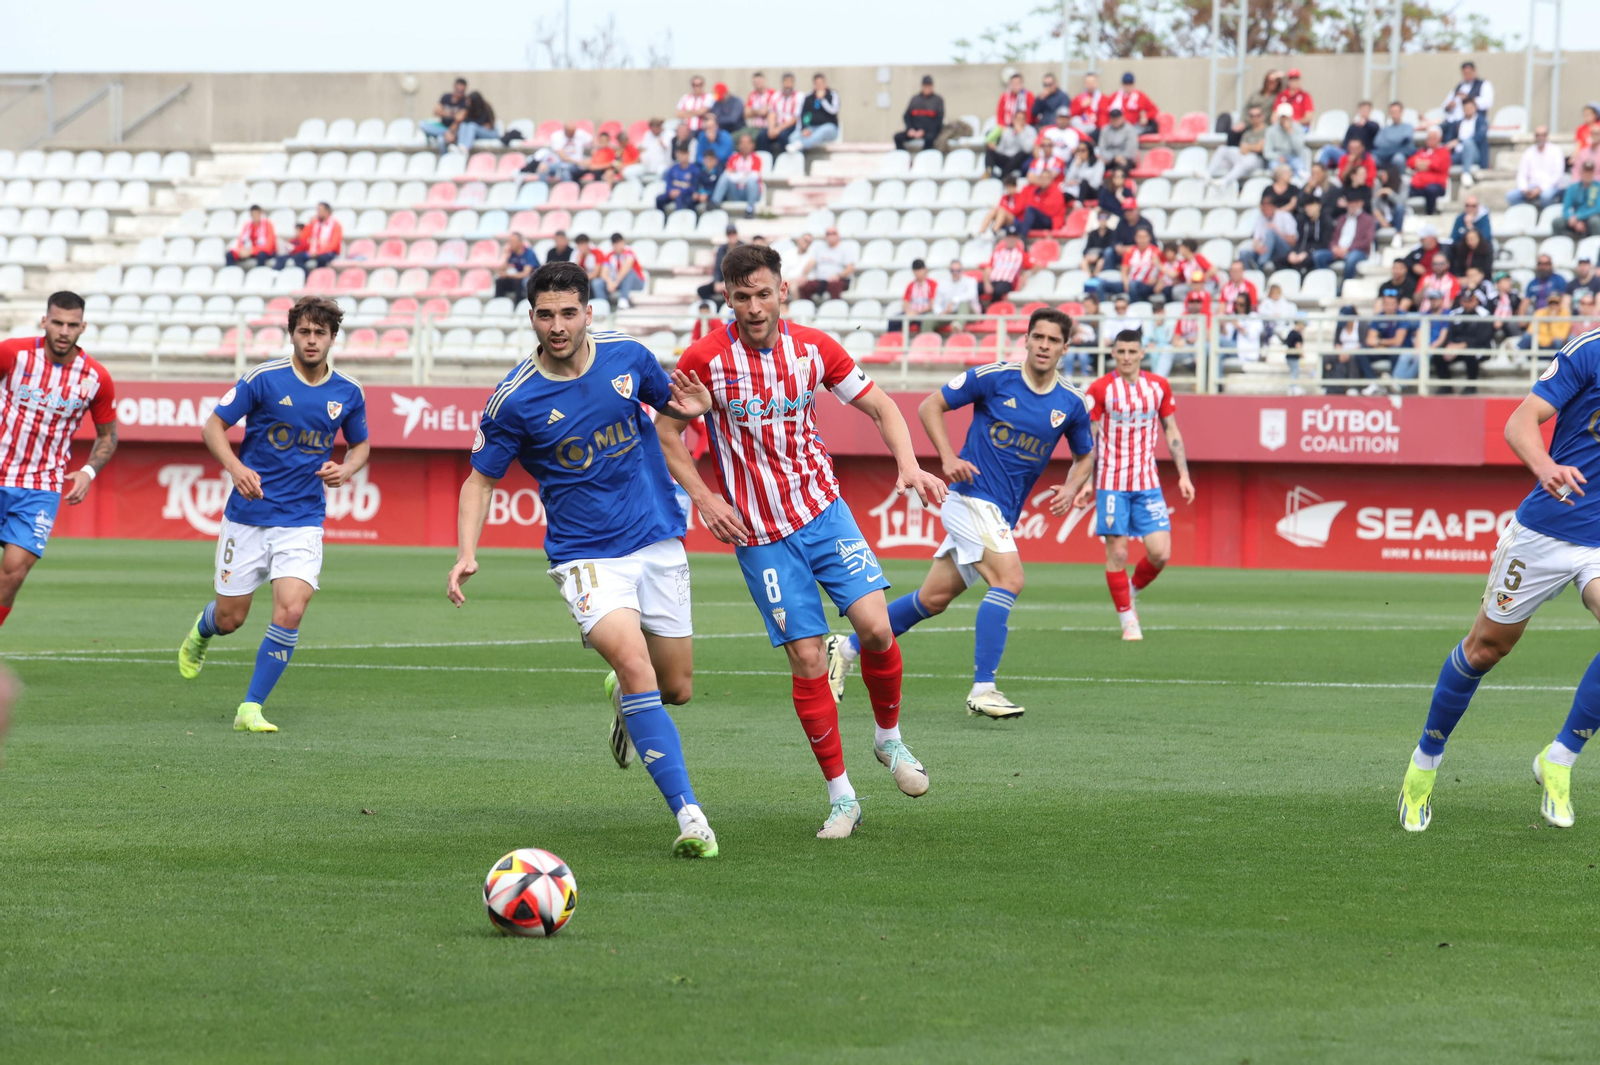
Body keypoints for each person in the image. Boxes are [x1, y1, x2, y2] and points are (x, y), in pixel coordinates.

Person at [656, 242, 948, 839]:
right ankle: (843, 798)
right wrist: (707, 499)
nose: (755, 307)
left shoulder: (814, 348)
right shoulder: (707, 358)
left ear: (783, 291)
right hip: (761, 536)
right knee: (809, 656)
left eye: (764, 294)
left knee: (875, 627)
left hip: (824, 512)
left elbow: (882, 406)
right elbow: (666, 433)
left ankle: (888, 740)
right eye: (742, 297)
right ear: (727, 298)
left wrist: (910, 465)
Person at [447, 262, 719, 857]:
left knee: (676, 688)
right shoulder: (514, 399)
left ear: (589, 312)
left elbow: (670, 411)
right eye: (545, 314)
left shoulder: (628, 357)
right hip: (584, 557)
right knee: (638, 666)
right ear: (531, 319)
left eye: (568, 312)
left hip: (656, 538)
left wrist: (690, 409)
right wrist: (468, 552)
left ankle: (626, 703)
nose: (557, 325)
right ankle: (691, 817)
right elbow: (479, 481)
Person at [833, 309, 1096, 719]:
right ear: (1026, 340)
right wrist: (948, 456)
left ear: (1066, 347)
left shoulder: (1072, 403)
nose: (1044, 345)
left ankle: (844, 648)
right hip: (970, 498)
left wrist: (1073, 487)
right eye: (1038, 337)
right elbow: (929, 406)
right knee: (1010, 578)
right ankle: (984, 687)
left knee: (932, 599)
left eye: (1053, 340)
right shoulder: (995, 377)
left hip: (1001, 512)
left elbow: (1086, 455)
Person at [1393, 324, 1600, 832]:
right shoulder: (1590, 350)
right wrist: (1545, 465)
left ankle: (1560, 757)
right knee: (1487, 648)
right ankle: (1423, 765)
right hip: (1548, 529)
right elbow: (1519, 421)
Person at [176, 296, 366, 733]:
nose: (312, 339)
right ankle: (203, 631)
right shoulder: (263, 379)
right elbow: (212, 427)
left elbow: (361, 444)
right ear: (292, 334)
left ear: (333, 338)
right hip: (247, 517)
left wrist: (347, 467)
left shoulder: (348, 392)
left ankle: (251, 707)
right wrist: (236, 467)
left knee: (292, 611)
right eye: (305, 331)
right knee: (231, 619)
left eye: (321, 332)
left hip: (302, 519)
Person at [0, 292, 116, 627]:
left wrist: (89, 471)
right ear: (44, 322)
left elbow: (108, 435)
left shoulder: (95, 378)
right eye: (57, 323)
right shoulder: (12, 353)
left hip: (40, 486)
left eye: (72, 325)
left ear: (83, 327)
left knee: (13, 573)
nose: (64, 331)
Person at [1077, 331, 1194, 641]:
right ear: (1113, 353)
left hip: (1147, 483)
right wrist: (1087, 482)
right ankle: (1128, 619)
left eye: (1132, 351)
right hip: (1111, 483)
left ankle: (1129, 590)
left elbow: (1171, 429)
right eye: (1121, 351)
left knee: (1161, 553)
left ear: (1143, 353)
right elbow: (1089, 440)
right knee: (1117, 554)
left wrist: (1184, 474)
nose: (1126, 356)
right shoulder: (1100, 389)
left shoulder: (1158, 386)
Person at [1432, 289, 1492, 393]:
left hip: (1478, 347)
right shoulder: (1455, 314)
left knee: (1471, 354)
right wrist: (1450, 345)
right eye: (1465, 301)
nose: (1467, 303)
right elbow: (1449, 334)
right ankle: (1446, 385)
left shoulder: (1484, 314)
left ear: (1476, 301)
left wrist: (1464, 345)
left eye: (1470, 301)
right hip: (1456, 347)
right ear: (1461, 301)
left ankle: (1471, 385)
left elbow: (1483, 338)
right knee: (1438, 355)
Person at [1508, 126, 1567, 209]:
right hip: (1531, 186)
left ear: (1547, 136)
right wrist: (1524, 189)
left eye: (1543, 135)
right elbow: (1521, 175)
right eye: (1537, 135)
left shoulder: (1556, 151)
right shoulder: (1528, 152)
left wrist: (1540, 189)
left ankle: (1546, 218)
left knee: (1546, 196)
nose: (1540, 138)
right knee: (1511, 196)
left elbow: (1557, 177)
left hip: (1550, 186)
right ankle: (1525, 216)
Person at [1208, 105, 1268, 185]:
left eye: (1258, 115)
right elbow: (1242, 148)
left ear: (1263, 116)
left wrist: (1249, 147)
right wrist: (1252, 147)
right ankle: (1206, 175)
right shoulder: (1248, 132)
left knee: (1249, 159)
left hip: (1259, 161)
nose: (1255, 118)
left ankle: (1224, 182)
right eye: (1252, 116)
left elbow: (1259, 148)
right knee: (1223, 149)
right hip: (1246, 157)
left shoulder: (1268, 130)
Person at [1239, 196, 1297, 273]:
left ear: (1273, 207)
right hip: (1266, 251)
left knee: (1270, 232)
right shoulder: (1261, 219)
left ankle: (1262, 264)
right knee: (1244, 253)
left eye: (1267, 208)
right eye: (1263, 209)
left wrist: (1277, 231)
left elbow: (1293, 241)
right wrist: (1258, 248)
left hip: (1283, 251)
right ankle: (1252, 276)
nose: (1264, 211)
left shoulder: (1285, 216)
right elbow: (1255, 241)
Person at [275, 202, 341, 271]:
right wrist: (310, 224)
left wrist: (318, 252)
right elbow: (303, 237)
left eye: (320, 210)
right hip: (313, 251)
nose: (317, 212)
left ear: (327, 212)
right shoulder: (316, 224)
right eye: (317, 210)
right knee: (297, 257)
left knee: (322, 258)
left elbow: (334, 245)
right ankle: (306, 276)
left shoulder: (335, 225)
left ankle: (319, 278)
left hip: (328, 253)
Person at [1325, 196, 1375, 286]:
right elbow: (1334, 237)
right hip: (1338, 249)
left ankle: (1344, 286)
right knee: (1319, 256)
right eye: (1351, 202)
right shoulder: (1341, 219)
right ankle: (1326, 284)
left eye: (1356, 202)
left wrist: (1348, 249)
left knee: (1351, 259)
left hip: (1358, 251)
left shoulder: (1368, 219)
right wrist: (1334, 247)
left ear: (1361, 203)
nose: (1353, 205)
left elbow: (1367, 241)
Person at [797, 227, 856, 301]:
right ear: (825, 236)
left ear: (838, 236)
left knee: (834, 285)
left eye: (833, 233)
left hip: (838, 280)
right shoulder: (820, 248)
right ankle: (809, 308)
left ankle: (834, 309)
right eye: (828, 234)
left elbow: (850, 268)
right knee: (804, 286)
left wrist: (838, 275)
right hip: (821, 280)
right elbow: (811, 262)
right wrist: (803, 275)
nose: (831, 236)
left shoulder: (845, 249)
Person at [711, 133, 763, 217]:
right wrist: (745, 175)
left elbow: (754, 176)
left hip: (749, 192)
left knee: (752, 182)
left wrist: (736, 174)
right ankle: (715, 203)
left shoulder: (756, 158)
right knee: (724, 178)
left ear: (752, 145)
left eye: (747, 143)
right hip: (735, 191)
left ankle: (750, 209)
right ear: (739, 145)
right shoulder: (733, 158)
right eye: (742, 143)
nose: (744, 145)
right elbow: (727, 174)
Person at [1318, 100, 1379, 169]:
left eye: (1367, 110)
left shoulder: (1374, 126)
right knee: (1328, 149)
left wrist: (1365, 123)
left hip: (1363, 157)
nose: (1364, 112)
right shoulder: (1352, 127)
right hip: (1347, 155)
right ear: (1358, 111)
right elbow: (1345, 142)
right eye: (1362, 109)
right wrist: (1349, 154)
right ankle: (1319, 171)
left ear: (1370, 111)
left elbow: (1375, 131)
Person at [1438, 60, 1494, 132]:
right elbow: (1445, 105)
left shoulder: (1484, 84)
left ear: (1474, 71)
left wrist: (1468, 98)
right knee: (1436, 131)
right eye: (1465, 73)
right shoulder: (1459, 86)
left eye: (1469, 73)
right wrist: (1450, 105)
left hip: (1471, 122)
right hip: (1453, 121)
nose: (1467, 75)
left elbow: (1487, 103)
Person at [1406, 128, 1450, 216]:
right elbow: (1410, 162)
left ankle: (1430, 214)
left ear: (1439, 139)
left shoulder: (1443, 151)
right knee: (1404, 189)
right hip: (1418, 185)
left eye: (1433, 138)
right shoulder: (1421, 151)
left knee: (1431, 190)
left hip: (1435, 186)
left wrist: (1422, 163)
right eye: (1429, 138)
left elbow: (1437, 165)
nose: (1430, 140)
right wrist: (1428, 163)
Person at [757, 73, 804, 155]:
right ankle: (766, 161)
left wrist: (778, 129)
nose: (788, 85)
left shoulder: (799, 96)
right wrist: (771, 129)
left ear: (793, 84)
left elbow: (794, 119)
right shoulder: (776, 96)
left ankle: (785, 162)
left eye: (790, 82)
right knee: (762, 136)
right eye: (786, 82)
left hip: (790, 126)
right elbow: (772, 113)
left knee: (783, 137)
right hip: (776, 125)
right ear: (782, 83)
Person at [895, 76, 945, 152]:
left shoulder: (937, 100)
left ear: (932, 86)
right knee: (897, 137)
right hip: (915, 130)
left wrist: (924, 130)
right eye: (925, 86)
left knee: (929, 139)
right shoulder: (915, 99)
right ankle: (906, 159)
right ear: (922, 86)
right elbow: (907, 116)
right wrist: (910, 128)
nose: (927, 88)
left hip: (930, 131)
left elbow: (938, 120)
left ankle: (924, 160)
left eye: (929, 86)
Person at [1447, 97, 1488, 187]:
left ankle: (1466, 173)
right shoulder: (1458, 123)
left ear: (1475, 108)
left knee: (1468, 143)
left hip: (1474, 154)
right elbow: (1450, 138)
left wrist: (1459, 141)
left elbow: (1478, 138)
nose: (1468, 110)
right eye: (1465, 108)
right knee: (1443, 157)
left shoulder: (1481, 121)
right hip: (1459, 154)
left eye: (1470, 108)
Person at [420, 78, 468, 153]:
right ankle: (440, 134)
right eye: (458, 90)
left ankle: (445, 160)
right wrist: (450, 115)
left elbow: (459, 119)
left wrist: (444, 113)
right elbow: (436, 111)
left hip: (454, 130)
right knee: (422, 124)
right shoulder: (446, 97)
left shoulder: (465, 101)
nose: (459, 93)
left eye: (462, 91)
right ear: (454, 88)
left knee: (441, 141)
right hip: (442, 128)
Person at [1286, 196, 1332, 275]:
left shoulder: (1326, 221)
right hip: (1302, 251)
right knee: (1281, 260)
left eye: (1311, 205)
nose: (1308, 208)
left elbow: (1325, 244)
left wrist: (1308, 252)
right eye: (1306, 206)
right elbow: (1299, 241)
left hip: (1317, 251)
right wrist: (1293, 252)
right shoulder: (1302, 220)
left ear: (1319, 206)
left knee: (1307, 261)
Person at [986, 109, 1038, 179]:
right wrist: (995, 148)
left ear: (1025, 121)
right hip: (1007, 158)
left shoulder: (1030, 131)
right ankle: (989, 173)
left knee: (1021, 154)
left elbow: (1028, 149)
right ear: (1013, 120)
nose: (1019, 121)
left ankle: (1003, 176)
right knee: (990, 151)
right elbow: (1002, 149)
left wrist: (1020, 133)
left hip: (1020, 160)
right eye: (1017, 118)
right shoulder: (1008, 131)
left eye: (1021, 119)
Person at [598, 233, 645, 309]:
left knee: (629, 273)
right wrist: (609, 282)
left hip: (635, 282)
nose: (618, 246)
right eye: (615, 243)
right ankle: (602, 305)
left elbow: (626, 267)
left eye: (619, 243)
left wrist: (615, 283)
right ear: (612, 245)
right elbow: (603, 273)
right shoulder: (609, 256)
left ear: (623, 243)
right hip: (618, 283)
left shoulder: (629, 253)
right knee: (597, 283)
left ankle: (623, 299)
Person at [889, 258, 936, 334]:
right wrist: (909, 312)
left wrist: (917, 313)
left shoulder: (932, 285)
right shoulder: (911, 285)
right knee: (893, 321)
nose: (918, 273)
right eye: (916, 271)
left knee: (925, 323)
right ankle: (893, 343)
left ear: (925, 270)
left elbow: (931, 305)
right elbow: (905, 304)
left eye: (919, 270)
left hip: (924, 313)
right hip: (911, 312)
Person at [697, 225, 740, 306]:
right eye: (730, 234)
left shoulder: (743, 247)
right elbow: (717, 267)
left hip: (736, 281)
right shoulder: (722, 249)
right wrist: (717, 282)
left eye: (733, 233)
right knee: (702, 290)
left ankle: (721, 306)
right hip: (722, 281)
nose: (732, 236)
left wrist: (727, 283)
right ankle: (716, 305)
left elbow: (743, 270)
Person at [1265, 103, 1310, 181]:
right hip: (1278, 157)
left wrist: (1290, 133)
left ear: (1291, 117)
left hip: (1294, 156)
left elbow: (1299, 149)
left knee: (1300, 167)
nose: (1284, 120)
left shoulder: (1298, 128)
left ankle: (1298, 185)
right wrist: (1277, 157)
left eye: (1287, 117)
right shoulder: (1271, 130)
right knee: (1274, 166)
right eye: (1283, 117)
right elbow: (1267, 152)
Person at [1555, 161, 1600, 238]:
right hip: (1574, 218)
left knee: (1595, 221)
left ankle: (1595, 244)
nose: (1587, 175)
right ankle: (1565, 244)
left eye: (1590, 172)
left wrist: (1579, 217)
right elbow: (1566, 208)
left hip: (1590, 217)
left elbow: (1597, 208)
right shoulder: (1573, 188)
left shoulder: (1597, 187)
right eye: (1585, 172)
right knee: (1557, 222)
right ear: (1581, 173)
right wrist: (1572, 219)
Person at [656, 145, 706, 214]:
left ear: (688, 154)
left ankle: (679, 219)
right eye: (680, 154)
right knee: (659, 199)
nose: (682, 157)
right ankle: (663, 218)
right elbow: (668, 182)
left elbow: (694, 186)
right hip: (673, 192)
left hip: (686, 194)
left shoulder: (694, 170)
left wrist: (681, 191)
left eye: (684, 154)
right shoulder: (673, 169)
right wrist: (670, 191)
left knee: (681, 199)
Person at [797, 73, 841, 151]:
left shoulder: (833, 95)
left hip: (829, 127)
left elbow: (834, 111)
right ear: (814, 85)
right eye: (817, 83)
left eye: (822, 83)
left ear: (825, 84)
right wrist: (804, 128)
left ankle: (801, 145)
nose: (820, 86)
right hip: (812, 127)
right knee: (794, 137)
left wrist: (822, 100)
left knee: (820, 132)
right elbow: (804, 115)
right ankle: (799, 157)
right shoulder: (808, 97)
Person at [1373, 101, 1417, 176]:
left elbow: (1405, 141)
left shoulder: (1408, 127)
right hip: (1384, 157)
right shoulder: (1385, 128)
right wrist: (1397, 144)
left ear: (1401, 112)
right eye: (1392, 112)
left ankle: (1398, 180)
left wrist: (1388, 141)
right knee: (1371, 158)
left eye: (1396, 111)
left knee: (1398, 159)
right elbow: (1377, 142)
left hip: (1397, 156)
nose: (1394, 114)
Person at [1121, 227, 1166, 301]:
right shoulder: (1130, 251)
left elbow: (1164, 269)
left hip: (1147, 284)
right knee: (1101, 284)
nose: (1142, 240)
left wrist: (1158, 281)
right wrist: (1126, 284)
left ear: (1149, 238)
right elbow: (1124, 272)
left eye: (1144, 237)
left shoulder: (1157, 252)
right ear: (1135, 238)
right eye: (1139, 237)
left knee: (1133, 285)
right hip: (1130, 282)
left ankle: (1133, 307)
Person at [982, 232, 1027, 305]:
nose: (1011, 240)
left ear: (1017, 239)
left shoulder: (1021, 254)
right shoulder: (997, 253)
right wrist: (987, 283)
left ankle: (991, 311)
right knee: (975, 288)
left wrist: (1024, 275)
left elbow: (1032, 265)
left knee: (998, 291)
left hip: (1006, 282)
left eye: (1013, 238)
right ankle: (981, 310)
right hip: (993, 280)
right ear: (1005, 239)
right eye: (1009, 237)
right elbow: (988, 268)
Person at [493, 232, 538, 304]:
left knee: (519, 282)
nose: (510, 244)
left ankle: (518, 304)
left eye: (512, 241)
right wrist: (506, 258)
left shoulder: (529, 253)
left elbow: (526, 273)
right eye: (509, 241)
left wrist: (508, 275)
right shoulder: (512, 254)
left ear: (520, 242)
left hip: (530, 280)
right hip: (518, 278)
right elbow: (501, 271)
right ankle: (498, 303)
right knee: (499, 281)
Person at [1220, 292, 1264, 363]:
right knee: (1217, 355)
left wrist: (1238, 326)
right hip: (1231, 348)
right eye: (1236, 304)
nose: (1238, 307)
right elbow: (1227, 337)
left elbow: (1252, 336)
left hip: (1244, 351)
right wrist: (1223, 326)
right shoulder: (1233, 316)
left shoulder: (1254, 317)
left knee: (1217, 338)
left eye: (1241, 305)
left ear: (1247, 305)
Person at [1070, 72, 1104, 141]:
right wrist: (1082, 106)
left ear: (1097, 83)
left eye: (1092, 82)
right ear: (1084, 84)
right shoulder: (1078, 98)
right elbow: (1071, 115)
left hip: (1096, 130)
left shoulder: (1103, 98)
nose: (1090, 84)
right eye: (1088, 82)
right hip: (1082, 129)